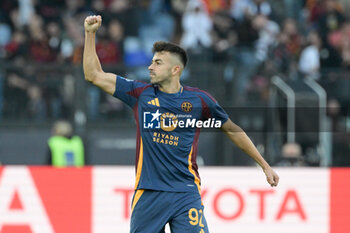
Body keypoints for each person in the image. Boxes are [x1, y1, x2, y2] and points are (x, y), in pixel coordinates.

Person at [83, 15, 279, 233]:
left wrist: (264, 164)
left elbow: (232, 130)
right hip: (149, 192)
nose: (150, 67)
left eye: (157, 63)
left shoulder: (200, 101)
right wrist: (90, 34)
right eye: (151, 61)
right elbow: (93, 75)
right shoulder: (140, 94)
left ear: (175, 70)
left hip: (185, 192)